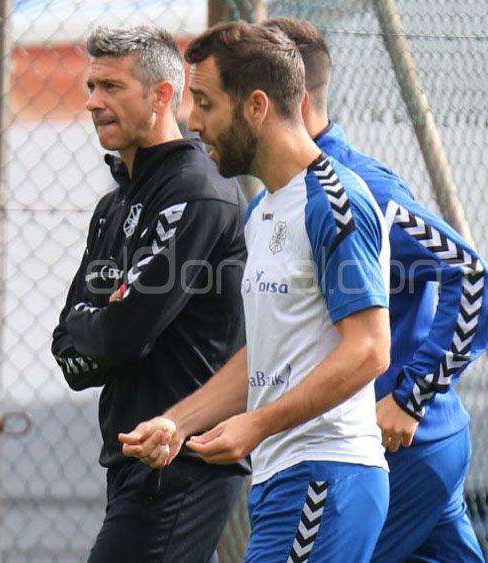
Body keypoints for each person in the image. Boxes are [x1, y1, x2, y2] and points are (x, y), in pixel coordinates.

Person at [120, 21, 393, 562]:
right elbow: (266, 354)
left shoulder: (333, 201)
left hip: (324, 474)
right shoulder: (263, 209)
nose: (194, 122)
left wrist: (257, 424)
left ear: (257, 107)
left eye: (205, 103)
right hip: (283, 479)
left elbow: (369, 350)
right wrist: (178, 422)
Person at [261, 17, 488, 563]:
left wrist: (412, 397)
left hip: (396, 448)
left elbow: (473, 276)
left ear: (284, 101)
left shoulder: (362, 191)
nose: (201, 118)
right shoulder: (274, 202)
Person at [50, 26, 248, 563]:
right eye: (92, 87)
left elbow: (124, 336)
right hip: (132, 461)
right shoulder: (114, 206)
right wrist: (101, 325)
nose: (93, 102)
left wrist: (98, 324)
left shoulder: (196, 190)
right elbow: (67, 350)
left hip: (181, 463)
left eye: (111, 87)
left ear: (162, 95)